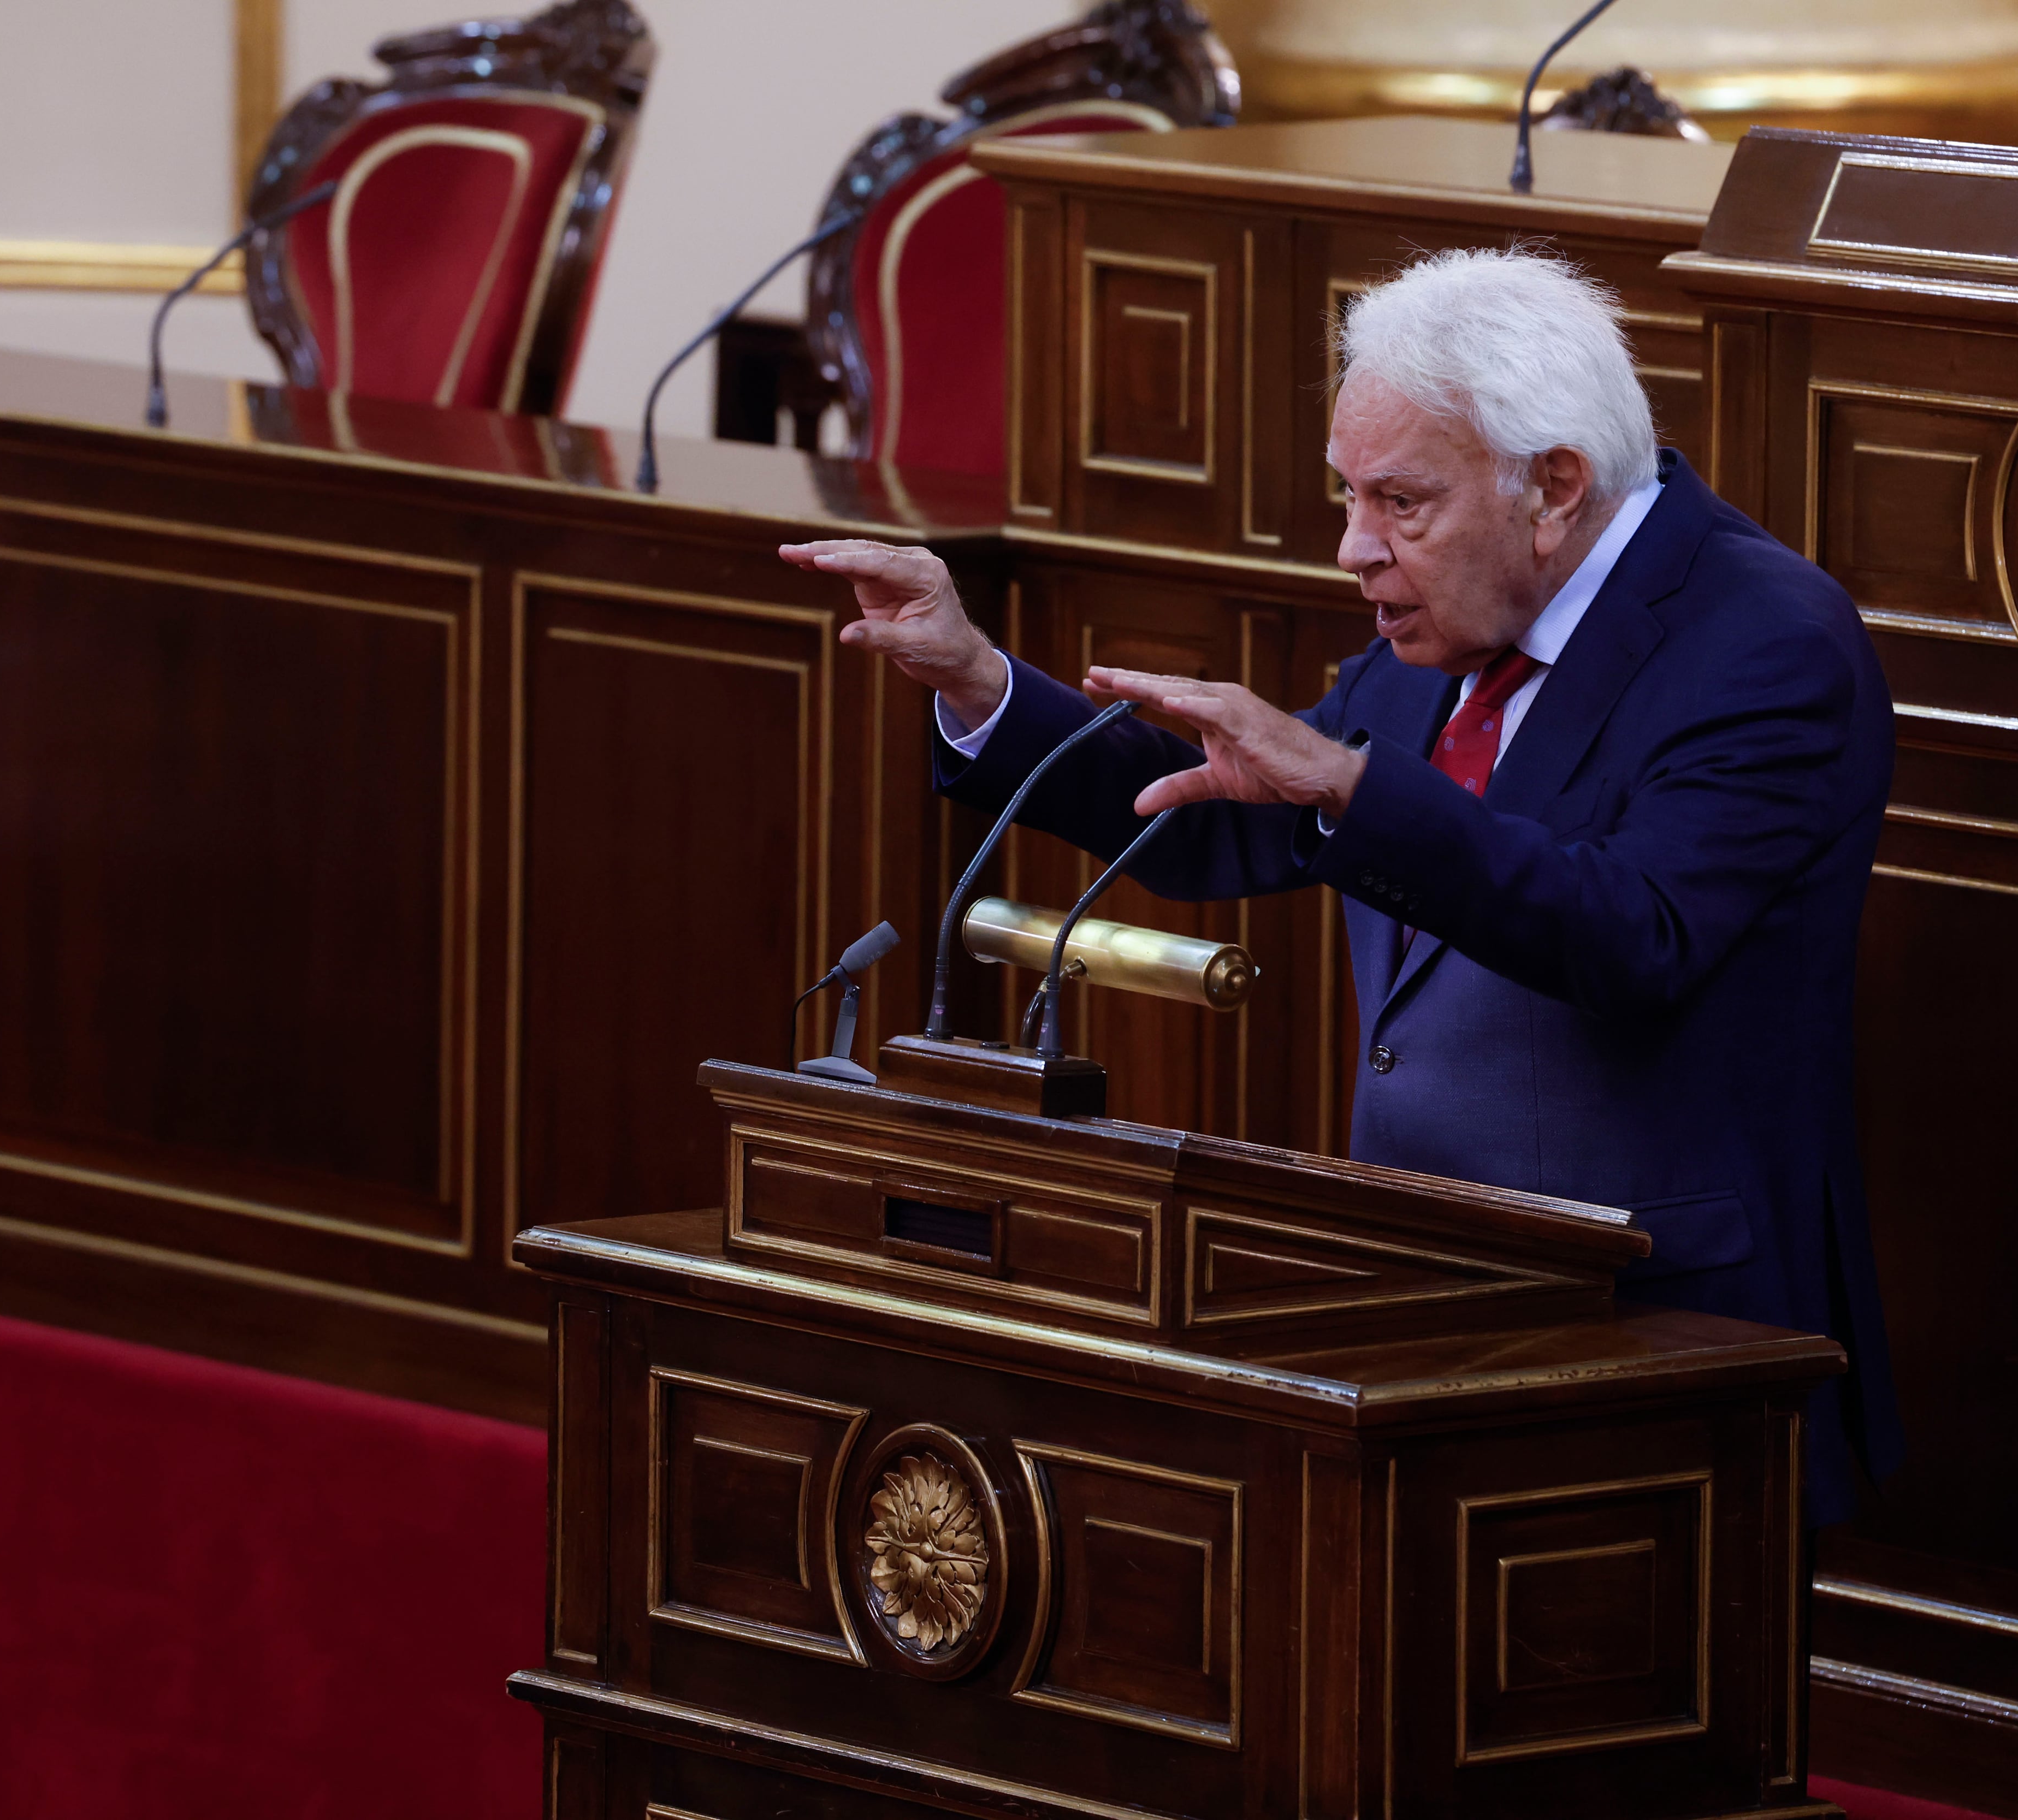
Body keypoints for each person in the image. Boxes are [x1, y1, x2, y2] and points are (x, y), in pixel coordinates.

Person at [779, 247, 1898, 1523]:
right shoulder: (1446, 617)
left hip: (1661, 1337)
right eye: (1347, 495)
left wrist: (1348, 791)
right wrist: (977, 681)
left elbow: (1635, 933)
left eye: (1398, 503)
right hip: (1413, 1308)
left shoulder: (1766, 640)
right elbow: (1224, 826)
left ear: (1553, 486)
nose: (1352, 548)